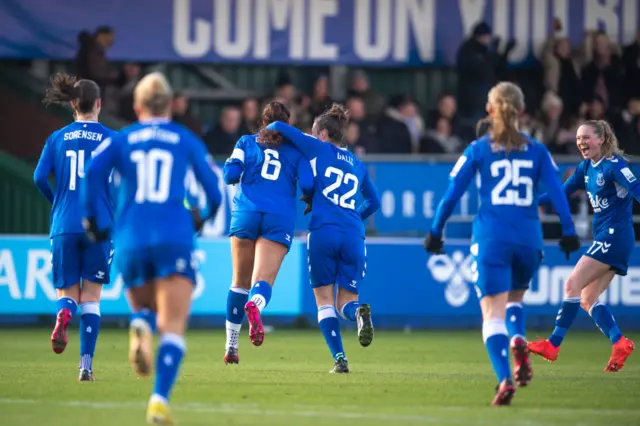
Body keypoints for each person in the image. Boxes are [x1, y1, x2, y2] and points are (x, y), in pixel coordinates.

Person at [424, 82, 580, 405]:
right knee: (514, 301)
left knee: (491, 314)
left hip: (492, 237)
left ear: (490, 110)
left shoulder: (479, 149)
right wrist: (567, 231)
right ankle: (519, 338)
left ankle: (504, 379)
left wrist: (436, 231)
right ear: (522, 111)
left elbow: (451, 194)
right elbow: (557, 192)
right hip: (529, 238)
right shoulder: (538, 150)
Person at [81, 72, 221, 425]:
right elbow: (215, 192)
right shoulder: (184, 139)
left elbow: (91, 173)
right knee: (172, 326)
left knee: (143, 305)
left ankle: (140, 324)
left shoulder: (122, 139)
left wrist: (93, 221)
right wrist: (202, 218)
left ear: (137, 105)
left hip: (129, 240)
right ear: (171, 104)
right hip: (174, 236)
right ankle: (158, 401)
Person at [264, 103, 380, 373]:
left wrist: (262, 135)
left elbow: (278, 127)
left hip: (323, 231)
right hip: (353, 233)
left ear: (324, 134)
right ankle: (358, 312)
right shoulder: (358, 165)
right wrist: (352, 219)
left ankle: (340, 359)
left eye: (315, 133)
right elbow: (374, 202)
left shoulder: (317, 148)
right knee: (346, 302)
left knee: (324, 302)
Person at [528, 120, 637, 372]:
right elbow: (559, 195)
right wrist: (528, 200)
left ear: (601, 139)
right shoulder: (586, 168)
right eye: (578, 139)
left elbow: (637, 189)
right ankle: (619, 342)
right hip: (607, 237)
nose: (581, 143)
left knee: (572, 284)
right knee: (587, 298)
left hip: (615, 236)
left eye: (586, 138)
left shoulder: (614, 166)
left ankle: (553, 345)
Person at [33, 73, 116, 382]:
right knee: (92, 298)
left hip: (64, 223)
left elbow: (39, 178)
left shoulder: (56, 138)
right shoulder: (112, 138)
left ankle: (65, 312)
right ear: (98, 104)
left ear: (72, 104)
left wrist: (57, 202)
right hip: (99, 225)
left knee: (68, 292)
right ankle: (85, 366)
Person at [222, 101, 314, 364]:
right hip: (278, 217)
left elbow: (230, 174)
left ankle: (231, 345)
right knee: (262, 281)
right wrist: (307, 196)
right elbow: (308, 183)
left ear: (263, 121)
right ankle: (256, 306)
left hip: (246, 213)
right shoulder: (296, 152)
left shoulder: (245, 142)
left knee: (239, 281)